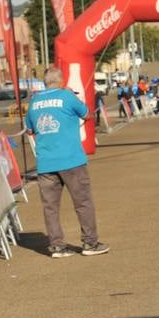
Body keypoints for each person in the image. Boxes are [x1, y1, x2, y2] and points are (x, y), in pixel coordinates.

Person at [27, 66, 109, 258]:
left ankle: (56, 245)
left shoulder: (34, 102)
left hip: (46, 162)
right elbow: (87, 114)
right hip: (71, 160)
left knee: (51, 207)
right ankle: (90, 242)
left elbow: (30, 128)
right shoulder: (66, 96)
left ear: (44, 82)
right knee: (83, 203)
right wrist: (73, 96)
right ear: (61, 80)